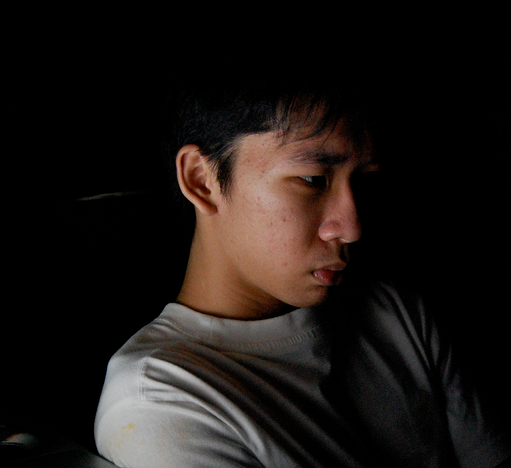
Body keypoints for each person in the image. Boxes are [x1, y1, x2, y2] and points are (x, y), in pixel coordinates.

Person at [93, 68, 511, 467]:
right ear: (202, 180)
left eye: (362, 181)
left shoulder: (395, 314)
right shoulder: (161, 402)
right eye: (312, 180)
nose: (352, 228)